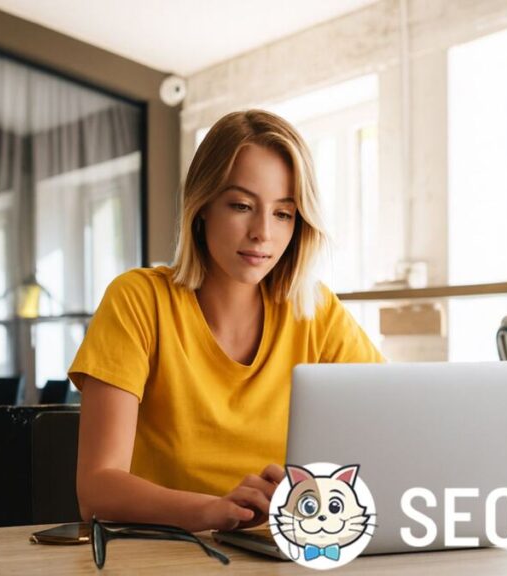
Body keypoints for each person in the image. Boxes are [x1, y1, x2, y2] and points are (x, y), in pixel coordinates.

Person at [70, 109, 384, 533]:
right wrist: (212, 510)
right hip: (168, 551)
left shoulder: (316, 311)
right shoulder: (138, 300)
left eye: (283, 213)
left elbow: (391, 430)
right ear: (202, 207)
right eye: (241, 206)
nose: (262, 233)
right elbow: (96, 491)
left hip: (282, 549)